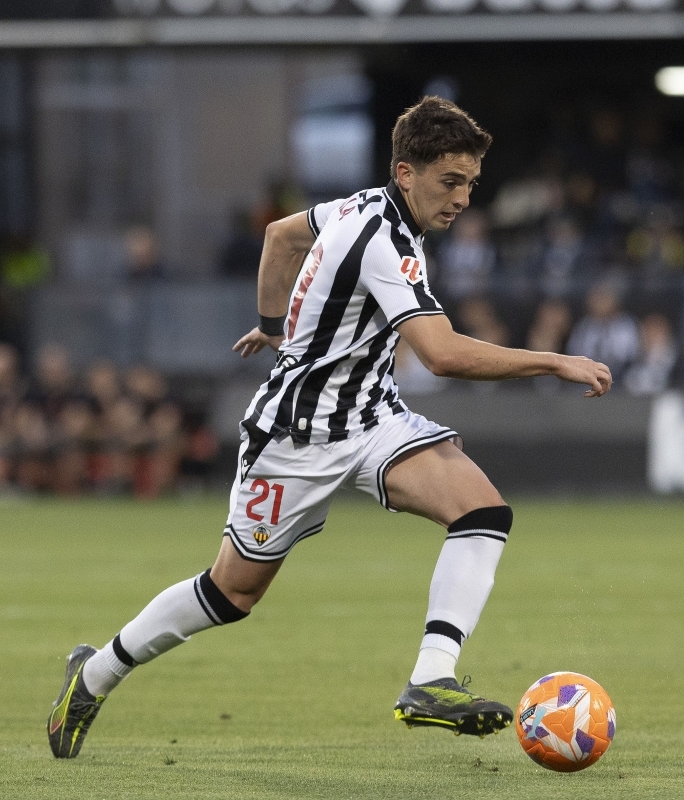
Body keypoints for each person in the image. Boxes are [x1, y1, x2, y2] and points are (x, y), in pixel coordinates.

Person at [48, 97, 612, 759]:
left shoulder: (359, 206)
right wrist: (553, 360)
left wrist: (271, 323)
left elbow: (281, 237)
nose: (462, 199)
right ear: (406, 173)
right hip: (296, 438)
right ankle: (94, 675)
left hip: (370, 418)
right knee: (231, 593)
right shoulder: (384, 241)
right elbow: (441, 354)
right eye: (450, 182)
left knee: (482, 512)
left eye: (470, 184)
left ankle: (430, 680)